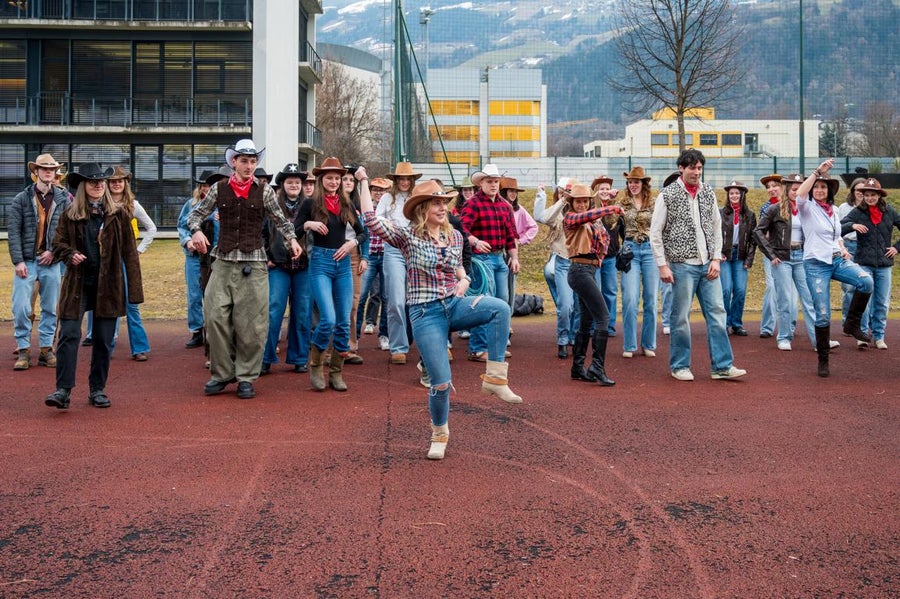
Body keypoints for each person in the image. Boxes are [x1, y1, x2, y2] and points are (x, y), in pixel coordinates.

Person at [361, 175, 522, 461]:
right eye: (436, 203)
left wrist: (464, 280)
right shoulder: (407, 236)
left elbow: (458, 266)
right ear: (422, 209)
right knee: (440, 382)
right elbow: (371, 220)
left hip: (454, 303)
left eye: (444, 203)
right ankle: (439, 434)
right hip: (425, 314)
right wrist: (363, 181)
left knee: (500, 308)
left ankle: (496, 379)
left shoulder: (454, 236)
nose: (443, 208)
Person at [187, 139, 302, 399]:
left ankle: (246, 377)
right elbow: (195, 215)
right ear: (234, 163)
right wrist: (196, 231)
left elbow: (281, 221)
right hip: (223, 261)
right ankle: (222, 373)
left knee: (252, 323)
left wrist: (293, 240)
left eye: (252, 161)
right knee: (215, 318)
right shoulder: (218, 189)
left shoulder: (265, 191)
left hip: (254, 263)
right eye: (244, 161)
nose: (249, 166)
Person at [44, 163, 143, 410]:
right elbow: (57, 243)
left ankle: (97, 389)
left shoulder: (119, 215)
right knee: (69, 334)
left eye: (101, 181)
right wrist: (70, 254)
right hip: (78, 284)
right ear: (83, 186)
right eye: (92, 181)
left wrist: (134, 292)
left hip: (108, 285)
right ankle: (63, 390)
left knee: (103, 339)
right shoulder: (70, 214)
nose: (98, 185)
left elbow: (131, 254)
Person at [649, 149, 746, 381]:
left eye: (700, 168)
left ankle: (722, 366)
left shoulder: (708, 192)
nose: (697, 172)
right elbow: (655, 232)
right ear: (681, 168)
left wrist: (716, 258)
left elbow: (716, 227)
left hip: (708, 265)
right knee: (680, 318)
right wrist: (662, 265)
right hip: (682, 265)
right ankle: (680, 366)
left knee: (718, 314)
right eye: (692, 168)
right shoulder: (667, 195)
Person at [795, 159, 873, 377]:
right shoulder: (807, 207)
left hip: (837, 259)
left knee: (866, 281)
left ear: (830, 191)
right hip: (816, 264)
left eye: (824, 187)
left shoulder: (834, 210)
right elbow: (800, 193)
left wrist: (843, 248)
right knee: (823, 314)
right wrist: (817, 172)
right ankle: (823, 359)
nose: (820, 190)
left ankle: (851, 324)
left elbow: (835, 235)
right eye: (817, 187)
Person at [295, 156, 366, 392]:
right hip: (320, 263)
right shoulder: (310, 203)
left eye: (337, 178)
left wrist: (352, 243)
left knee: (344, 322)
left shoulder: (346, 204)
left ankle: (336, 372)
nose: (334, 182)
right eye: (329, 178)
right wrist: (308, 225)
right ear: (321, 180)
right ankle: (316, 366)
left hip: (343, 262)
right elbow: (293, 230)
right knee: (328, 319)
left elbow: (363, 233)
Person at [754, 174, 838, 352]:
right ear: (786, 190)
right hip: (782, 258)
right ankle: (784, 337)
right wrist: (771, 254)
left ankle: (819, 341)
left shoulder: (808, 208)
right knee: (785, 300)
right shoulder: (775, 209)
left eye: (801, 188)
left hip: (803, 257)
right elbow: (758, 231)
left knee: (809, 299)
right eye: (794, 189)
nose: (797, 192)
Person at [9, 153, 69, 371]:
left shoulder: (63, 199)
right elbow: (14, 232)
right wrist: (18, 261)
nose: (48, 172)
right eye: (44, 169)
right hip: (27, 261)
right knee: (21, 307)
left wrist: (54, 251)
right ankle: (23, 350)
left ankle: (46, 349)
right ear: (35, 172)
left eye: (52, 169)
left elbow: (66, 231)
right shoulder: (21, 198)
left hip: (51, 262)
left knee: (51, 307)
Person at [563, 182, 624, 386]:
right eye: (577, 201)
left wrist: (600, 257)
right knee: (603, 317)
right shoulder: (570, 218)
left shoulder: (594, 221)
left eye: (585, 201)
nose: (581, 205)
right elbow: (586, 216)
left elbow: (605, 239)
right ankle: (597, 366)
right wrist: (611, 208)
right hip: (579, 271)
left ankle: (577, 367)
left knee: (587, 321)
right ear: (571, 203)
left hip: (589, 270)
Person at [460, 163, 520, 362]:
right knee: (484, 301)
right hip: (480, 258)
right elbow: (461, 230)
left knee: (502, 301)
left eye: (496, 181)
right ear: (481, 183)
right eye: (489, 181)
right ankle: (478, 348)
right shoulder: (473, 204)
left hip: (500, 258)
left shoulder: (505, 206)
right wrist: (475, 241)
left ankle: (495, 347)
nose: (493, 185)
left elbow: (511, 235)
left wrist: (514, 257)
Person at [262, 163, 312, 374]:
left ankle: (299, 357)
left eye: (297, 182)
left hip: (304, 266)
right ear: (282, 184)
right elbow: (262, 233)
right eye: (289, 182)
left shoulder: (310, 206)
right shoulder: (272, 205)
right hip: (279, 265)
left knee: (302, 311)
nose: (294, 185)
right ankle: (265, 357)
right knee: (274, 309)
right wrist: (267, 256)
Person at [840, 177, 899, 350]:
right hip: (864, 262)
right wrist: (853, 225)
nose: (869, 198)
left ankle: (879, 336)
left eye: (873, 195)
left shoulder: (889, 211)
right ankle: (863, 334)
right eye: (866, 195)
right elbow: (839, 228)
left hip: (884, 264)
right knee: (864, 301)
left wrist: (896, 248)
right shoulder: (858, 212)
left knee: (881, 302)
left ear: (879, 195)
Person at [106, 166, 156, 361]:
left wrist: (139, 249)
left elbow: (151, 228)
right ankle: (106, 347)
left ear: (125, 183)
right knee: (109, 304)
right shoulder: (101, 203)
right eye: (113, 181)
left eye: (120, 180)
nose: (116, 184)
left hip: (127, 261)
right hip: (106, 261)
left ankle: (139, 348)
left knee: (131, 304)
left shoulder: (133, 205)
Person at [377, 162, 422, 365]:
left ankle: (426, 342)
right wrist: (392, 228)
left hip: (416, 249)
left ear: (412, 180)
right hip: (394, 249)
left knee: (419, 298)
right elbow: (377, 219)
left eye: (408, 179)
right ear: (396, 180)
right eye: (401, 179)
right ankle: (398, 346)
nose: (404, 182)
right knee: (395, 299)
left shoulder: (418, 197)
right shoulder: (387, 198)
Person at [178, 169, 223, 349]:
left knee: (215, 295)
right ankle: (197, 331)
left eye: (210, 185)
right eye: (203, 185)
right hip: (194, 257)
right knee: (194, 294)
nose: (206, 189)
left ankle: (215, 332)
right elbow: (182, 226)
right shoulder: (191, 204)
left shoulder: (222, 203)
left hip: (216, 256)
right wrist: (187, 240)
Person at [534, 178, 578, 358]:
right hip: (563, 262)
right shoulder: (557, 214)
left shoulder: (582, 211)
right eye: (561, 192)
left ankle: (574, 337)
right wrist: (562, 201)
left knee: (579, 306)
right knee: (566, 305)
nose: (565, 195)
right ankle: (563, 339)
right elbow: (543, 217)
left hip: (581, 263)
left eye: (568, 193)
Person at [620, 166, 658, 358]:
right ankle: (629, 344)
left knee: (651, 299)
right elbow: (609, 221)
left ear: (644, 184)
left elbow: (661, 226)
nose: (632, 185)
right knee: (630, 298)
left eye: (636, 182)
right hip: (630, 250)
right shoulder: (622, 203)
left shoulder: (654, 202)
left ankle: (648, 343)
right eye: (630, 182)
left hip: (650, 250)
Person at [356, 177, 392, 348]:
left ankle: (384, 335)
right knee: (361, 295)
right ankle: (355, 335)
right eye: (376, 189)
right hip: (369, 256)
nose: (379, 193)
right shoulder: (365, 207)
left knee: (386, 297)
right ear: (370, 191)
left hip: (386, 255)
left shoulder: (391, 208)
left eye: (382, 190)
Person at [719, 180, 757, 336]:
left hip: (740, 256)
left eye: (737, 193)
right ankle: (725, 322)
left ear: (742, 195)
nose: (734, 196)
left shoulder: (750, 215)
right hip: (724, 256)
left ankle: (736, 323)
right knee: (726, 289)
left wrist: (749, 259)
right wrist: (718, 253)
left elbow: (753, 240)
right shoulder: (721, 213)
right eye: (731, 193)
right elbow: (714, 235)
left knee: (740, 290)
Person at [591, 175, 624, 337]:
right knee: (594, 292)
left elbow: (623, 230)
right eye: (601, 189)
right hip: (594, 257)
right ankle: (594, 325)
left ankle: (609, 326)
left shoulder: (616, 209)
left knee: (610, 291)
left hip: (610, 257)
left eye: (607, 189)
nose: (605, 191)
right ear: (596, 191)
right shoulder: (591, 208)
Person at [341, 166, 368, 365]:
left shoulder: (359, 206)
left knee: (353, 303)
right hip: (333, 252)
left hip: (354, 254)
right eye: (345, 179)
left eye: (352, 180)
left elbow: (366, 233)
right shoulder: (330, 202)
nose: (348, 182)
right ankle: (329, 348)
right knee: (335, 303)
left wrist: (364, 257)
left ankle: (350, 346)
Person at [499, 176, 538, 313]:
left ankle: (508, 316)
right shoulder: (497, 207)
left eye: (515, 191)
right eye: (510, 191)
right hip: (497, 249)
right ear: (503, 192)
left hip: (511, 250)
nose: (513, 194)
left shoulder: (519, 210)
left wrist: (520, 240)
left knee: (510, 286)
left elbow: (533, 227)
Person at [837, 177, 867, 331]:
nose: (860, 193)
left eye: (863, 190)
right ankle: (846, 321)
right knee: (849, 288)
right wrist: (842, 248)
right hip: (848, 246)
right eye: (857, 190)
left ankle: (860, 323)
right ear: (853, 191)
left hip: (865, 248)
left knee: (865, 286)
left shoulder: (870, 208)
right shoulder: (844, 207)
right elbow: (838, 229)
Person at [757, 174, 783, 339]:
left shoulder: (790, 204)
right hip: (771, 253)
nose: (771, 189)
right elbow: (762, 232)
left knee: (788, 291)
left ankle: (789, 325)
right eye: (768, 187)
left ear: (782, 187)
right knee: (771, 287)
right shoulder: (766, 208)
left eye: (775, 185)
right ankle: (767, 327)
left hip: (789, 253)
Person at [658, 171, 681, 335]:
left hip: (683, 254)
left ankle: (678, 321)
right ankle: (667, 321)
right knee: (667, 289)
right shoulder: (662, 203)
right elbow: (657, 231)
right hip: (666, 253)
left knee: (681, 290)